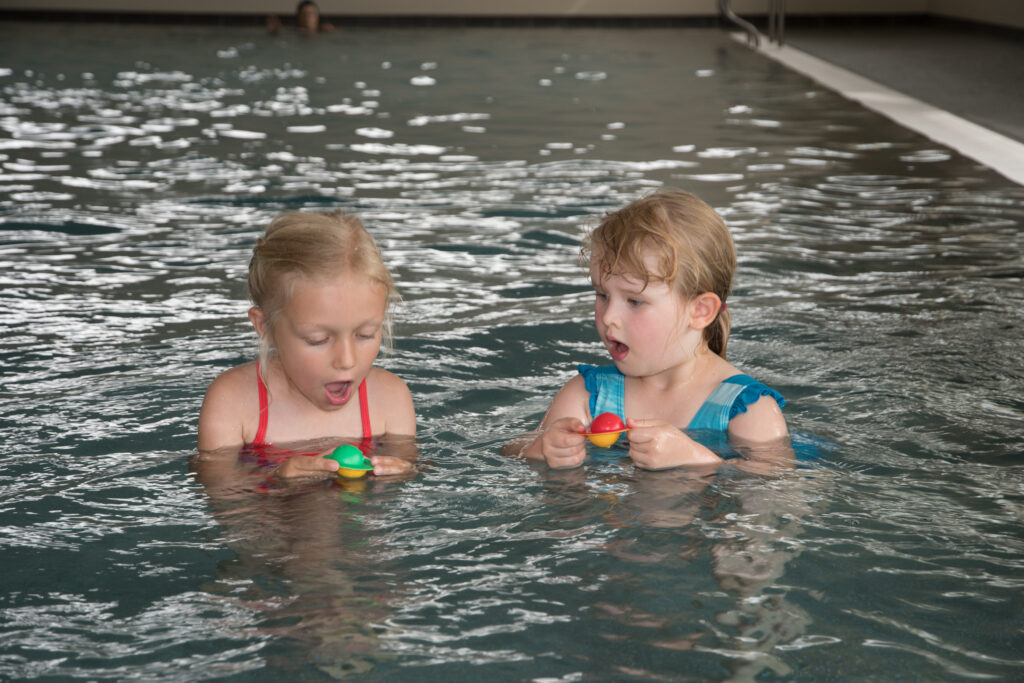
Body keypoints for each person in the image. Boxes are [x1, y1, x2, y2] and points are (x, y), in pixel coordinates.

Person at [511, 189, 789, 470]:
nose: (609, 317)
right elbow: (513, 451)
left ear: (700, 311)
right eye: (602, 295)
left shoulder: (747, 409)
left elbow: (780, 491)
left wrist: (701, 462)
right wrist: (543, 449)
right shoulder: (586, 396)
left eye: (634, 301)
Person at [197, 210, 415, 479]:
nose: (346, 360)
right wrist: (277, 481)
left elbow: (412, 476)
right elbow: (219, 495)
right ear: (265, 327)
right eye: (318, 339)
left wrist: (402, 473)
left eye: (365, 334)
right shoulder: (232, 402)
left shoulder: (390, 399)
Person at [267, 0, 336, 35]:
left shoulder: (325, 30)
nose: (307, 17)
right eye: (304, 14)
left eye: (310, 13)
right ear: (299, 16)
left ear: (317, 16)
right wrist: (274, 31)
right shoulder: (293, 31)